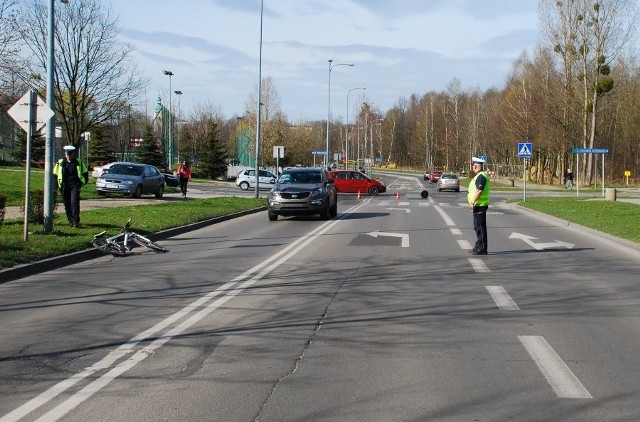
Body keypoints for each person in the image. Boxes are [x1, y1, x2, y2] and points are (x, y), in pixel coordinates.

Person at [53, 145, 89, 227]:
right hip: (64, 186)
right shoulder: (60, 162)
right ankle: (70, 220)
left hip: (74, 186)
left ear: (73, 154)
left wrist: (81, 183)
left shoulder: (78, 162)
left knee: (74, 202)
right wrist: (56, 185)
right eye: (67, 154)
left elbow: (85, 173)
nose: (68, 156)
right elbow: (54, 175)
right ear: (65, 154)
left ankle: (76, 221)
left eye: (70, 154)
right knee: (67, 204)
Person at [467, 156, 490, 255]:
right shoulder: (479, 176)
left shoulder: (481, 176)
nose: (472, 167)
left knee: (480, 227)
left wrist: (472, 202)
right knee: (477, 227)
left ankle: (482, 248)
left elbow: (479, 190)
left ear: (477, 166)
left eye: (473, 165)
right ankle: (478, 246)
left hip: (480, 205)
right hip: (478, 205)